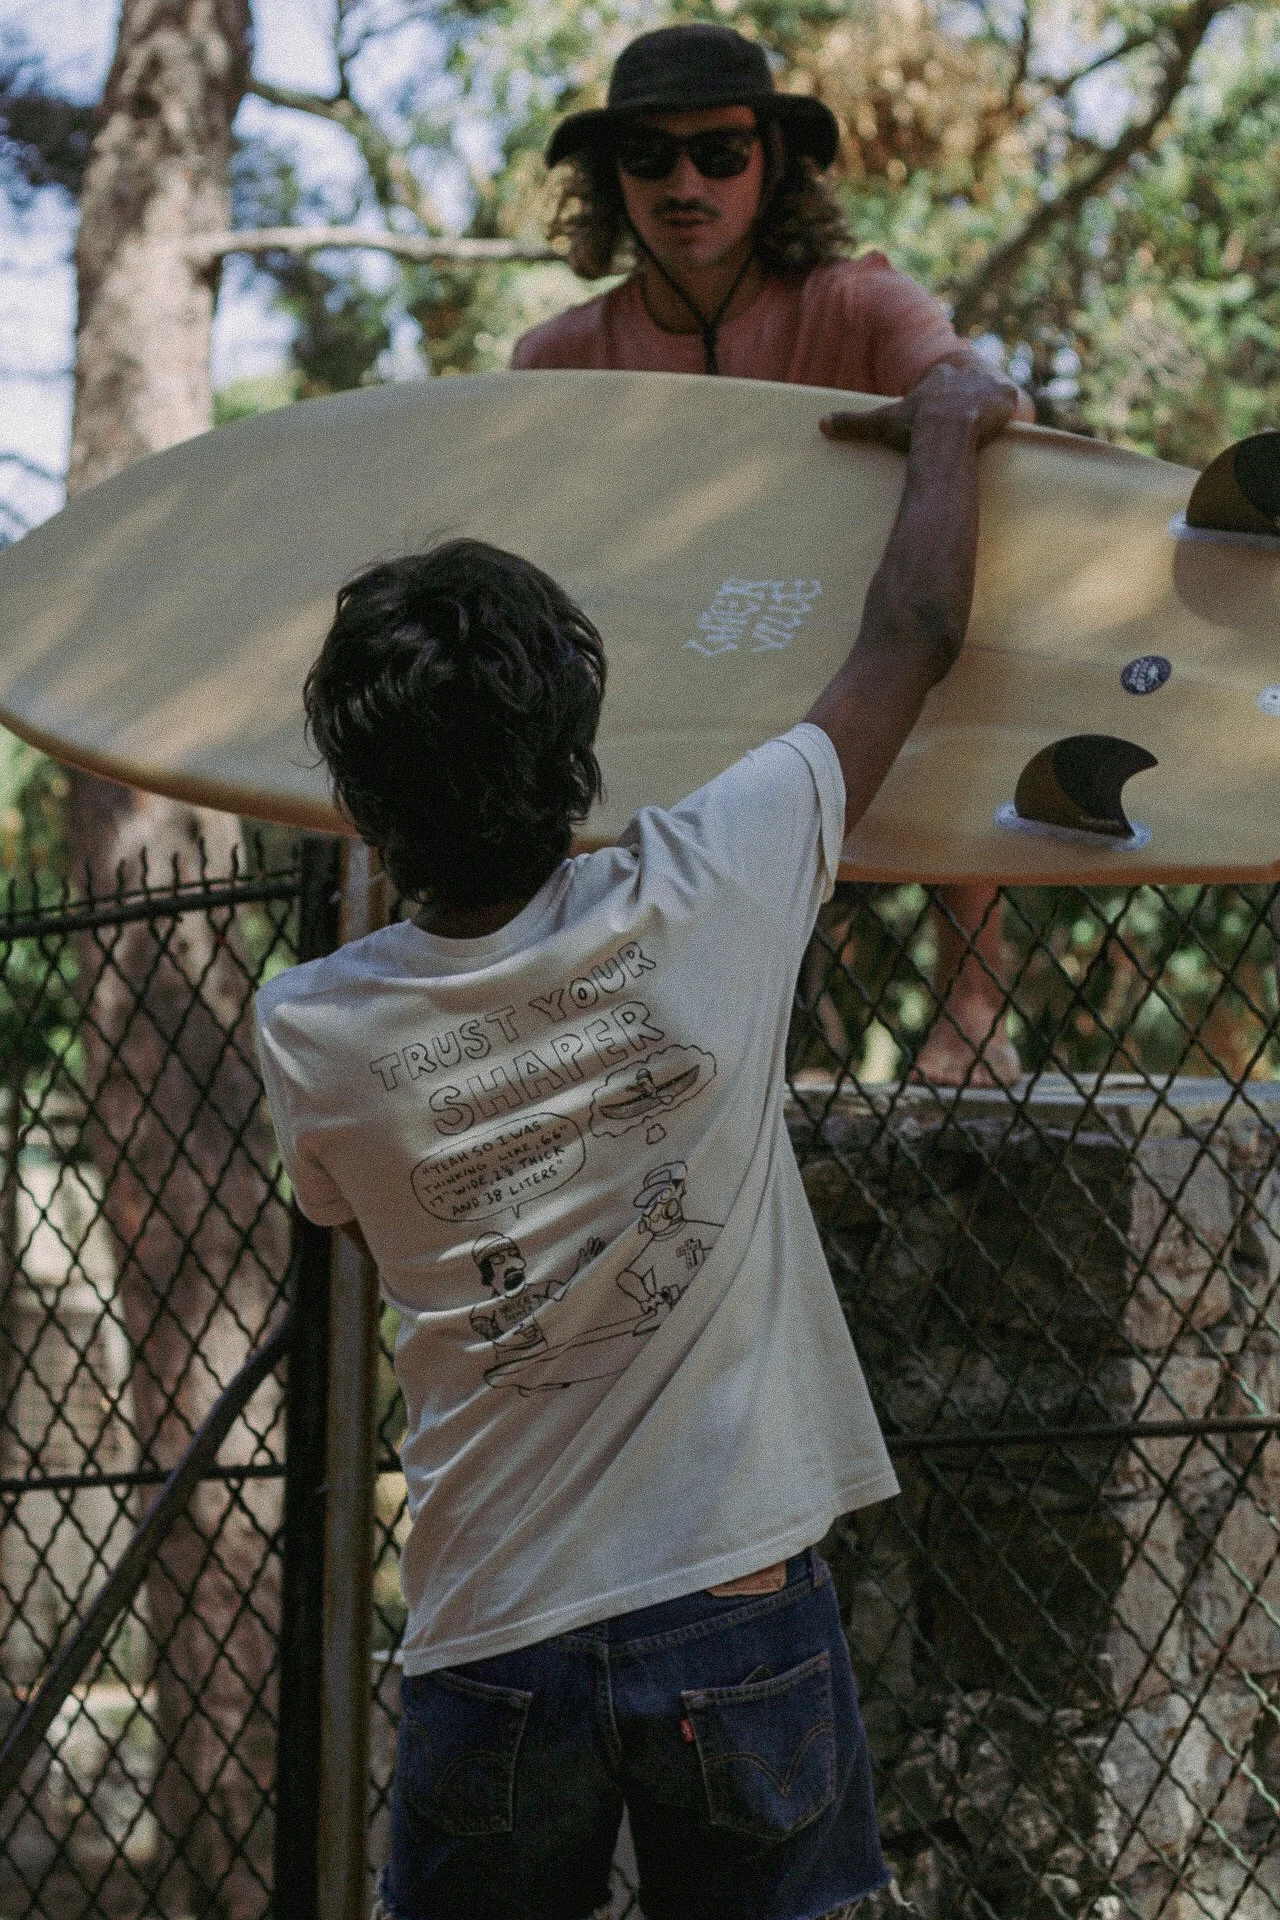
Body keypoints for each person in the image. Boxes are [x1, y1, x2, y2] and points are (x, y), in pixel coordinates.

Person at [254, 357, 1018, 1920]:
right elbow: (914, 639)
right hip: (729, 1603)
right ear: (579, 743)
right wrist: (949, 421)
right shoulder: (710, 886)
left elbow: (349, 1219)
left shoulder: (313, 1029)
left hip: (493, 1629)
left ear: (360, 796)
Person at [513, 22, 1024, 1086]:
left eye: (719, 152)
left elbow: (973, 393)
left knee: (963, 629)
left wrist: (942, 407)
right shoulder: (558, 361)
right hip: (656, 679)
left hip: (844, 654)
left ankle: (971, 1002)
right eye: (647, 157)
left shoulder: (855, 301)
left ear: (772, 164)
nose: (682, 181)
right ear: (611, 179)